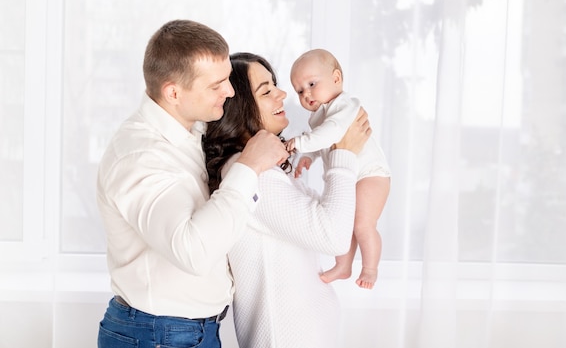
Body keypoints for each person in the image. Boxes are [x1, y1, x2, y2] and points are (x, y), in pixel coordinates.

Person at [96, 20, 289, 348]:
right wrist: (249, 167)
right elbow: (192, 251)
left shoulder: (193, 131)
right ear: (173, 92)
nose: (229, 92)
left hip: (187, 333)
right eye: (217, 85)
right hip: (157, 336)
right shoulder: (140, 156)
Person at [202, 52, 371, 348]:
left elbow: (328, 215)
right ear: (238, 107)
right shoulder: (252, 174)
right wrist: (344, 153)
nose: (283, 94)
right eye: (266, 91)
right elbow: (333, 236)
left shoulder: (262, 170)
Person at [285, 48, 391, 289]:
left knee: (362, 224)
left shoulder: (345, 106)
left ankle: (370, 268)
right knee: (344, 222)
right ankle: (343, 266)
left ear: (336, 78)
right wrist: (309, 157)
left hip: (371, 175)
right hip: (350, 175)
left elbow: (331, 133)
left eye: (312, 84)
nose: (306, 94)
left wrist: (299, 144)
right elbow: (322, 139)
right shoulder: (318, 117)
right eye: (300, 91)